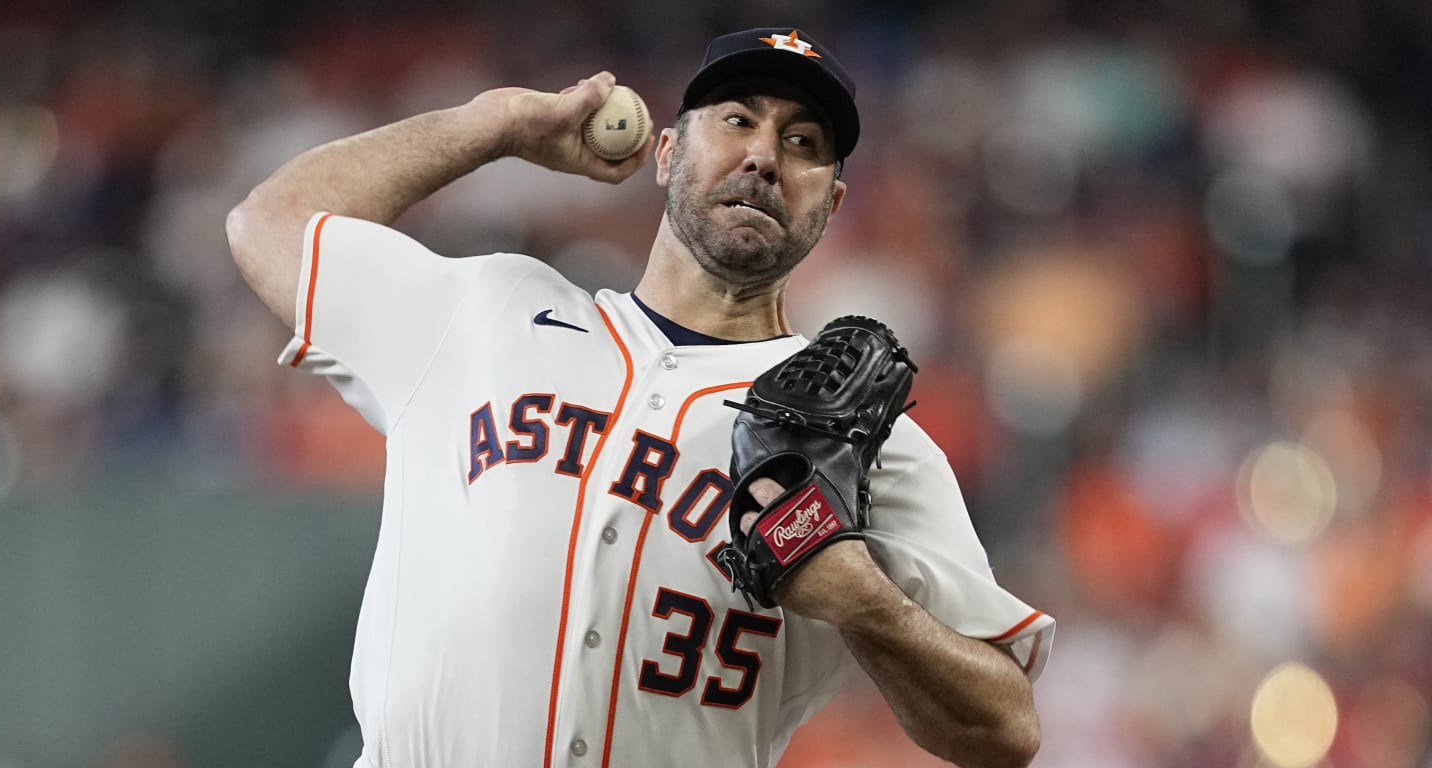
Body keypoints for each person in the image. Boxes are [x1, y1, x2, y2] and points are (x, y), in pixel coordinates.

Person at [226, 26, 1053, 768]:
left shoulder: (870, 443)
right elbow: (270, 223)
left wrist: (869, 605)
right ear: (664, 154)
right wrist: (497, 125)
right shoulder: (486, 313)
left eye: (803, 142)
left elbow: (1005, 729)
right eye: (737, 120)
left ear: (830, 205)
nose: (765, 155)